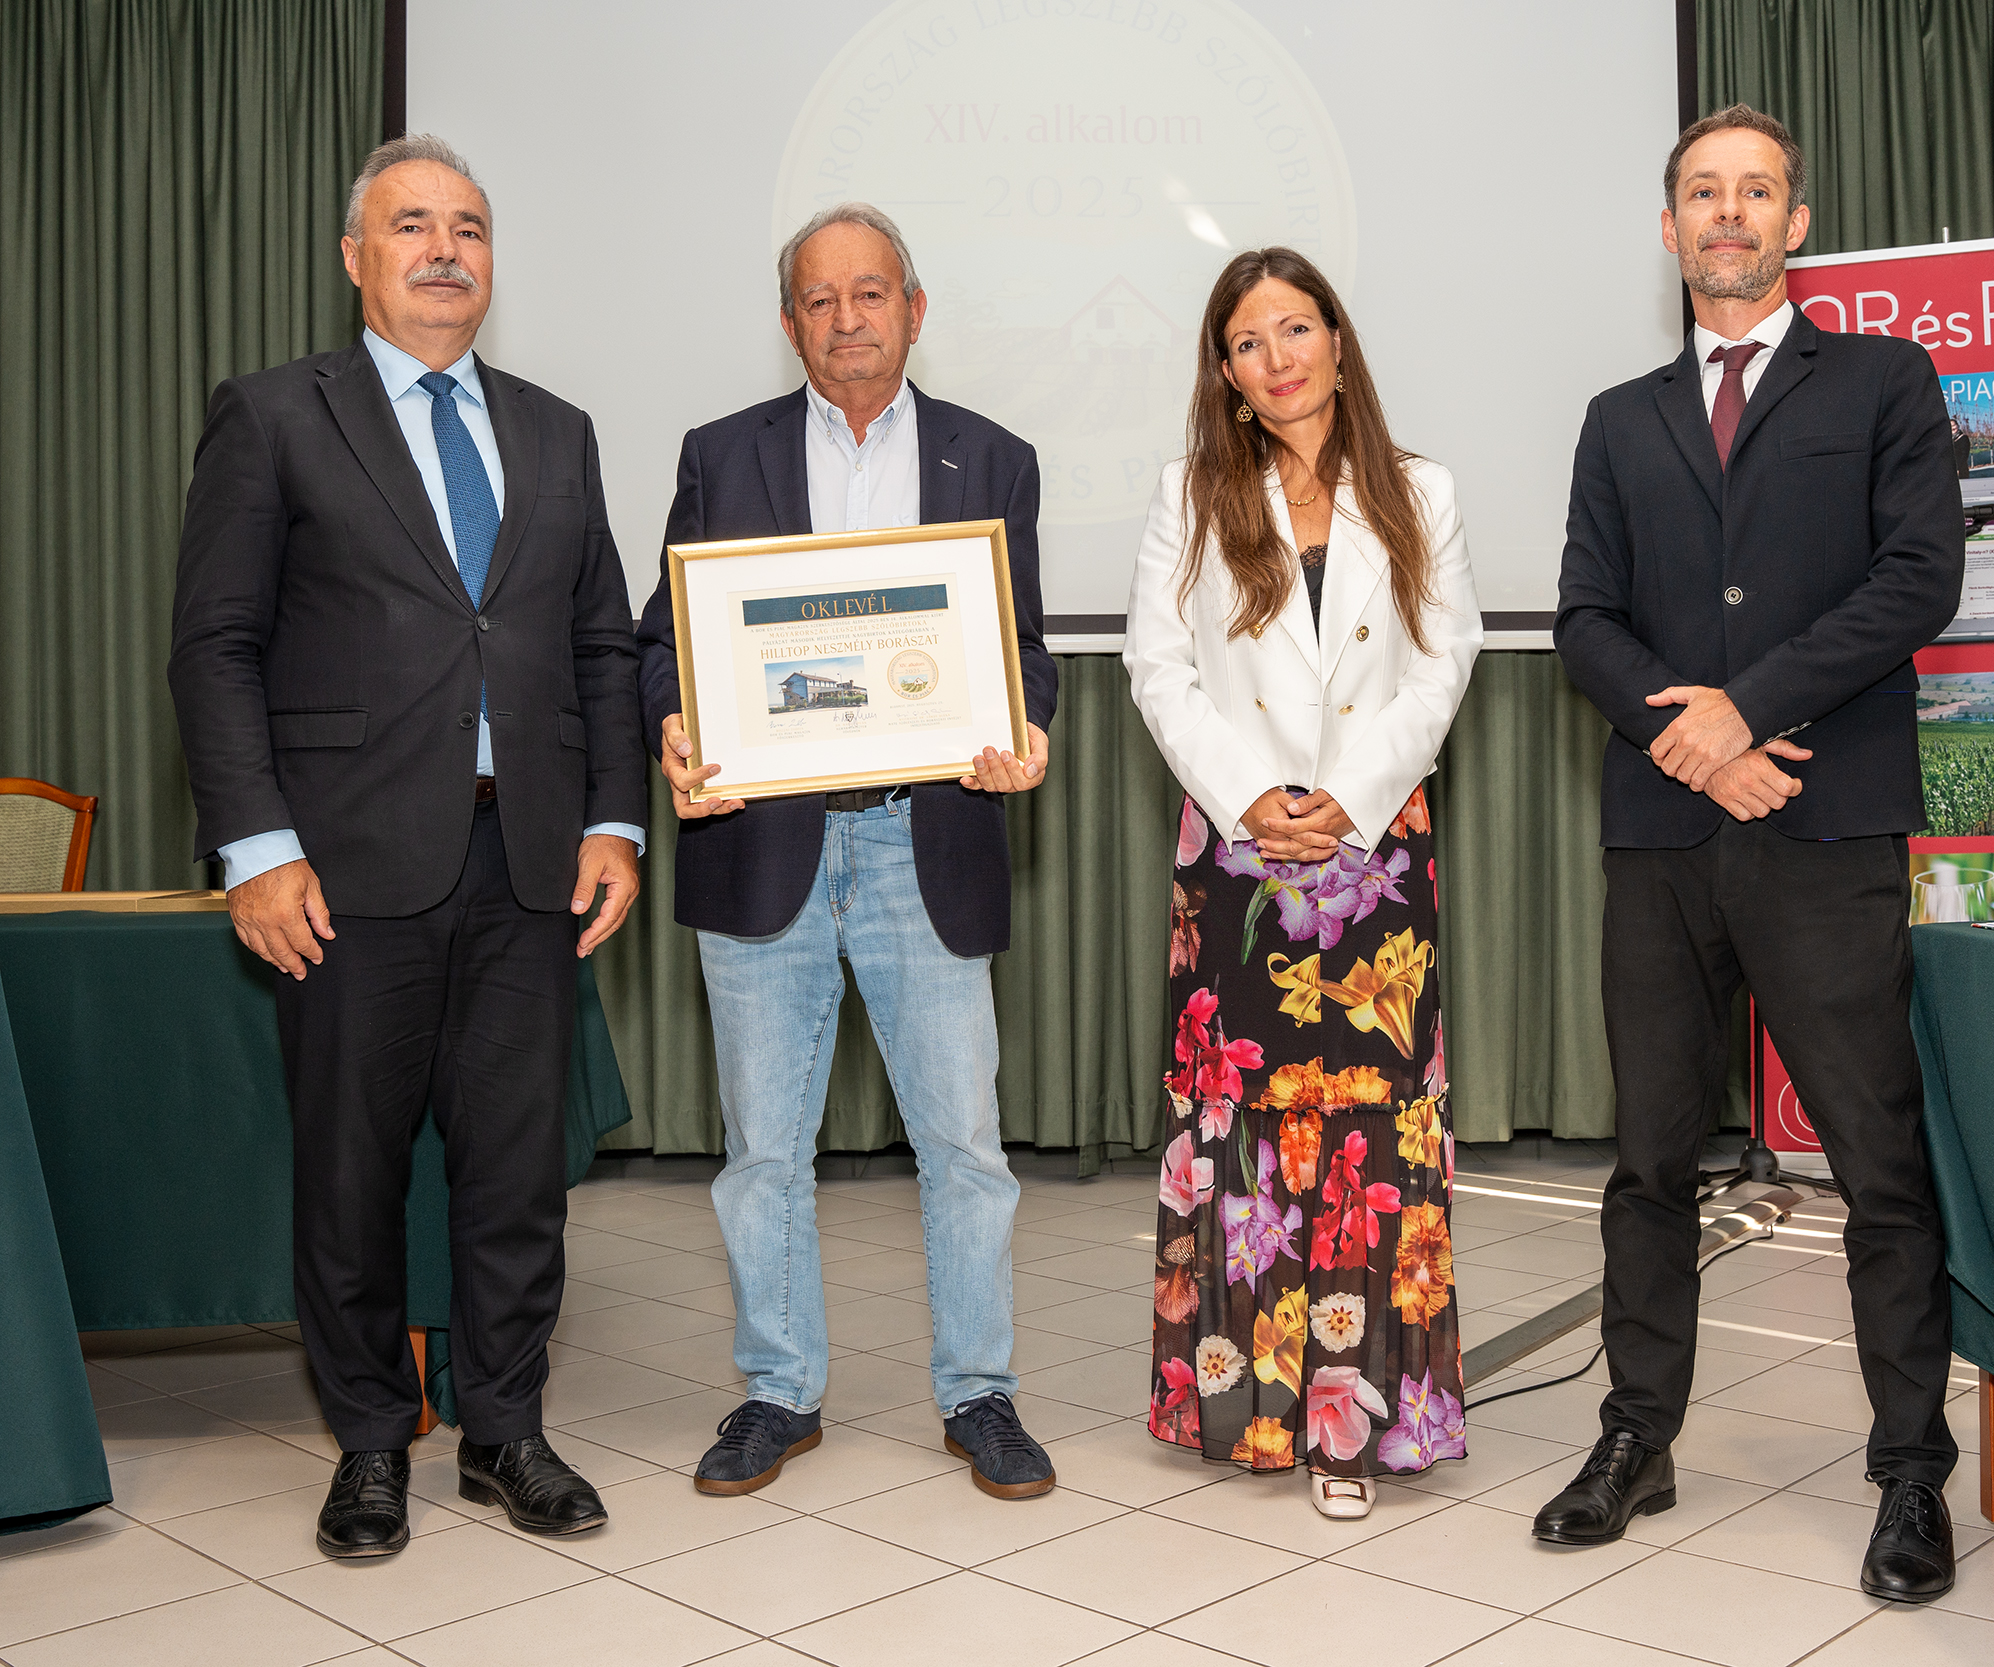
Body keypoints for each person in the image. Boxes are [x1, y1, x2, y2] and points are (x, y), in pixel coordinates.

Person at [168, 134, 644, 1559]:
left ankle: (504, 1428)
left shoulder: (557, 429)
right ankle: (372, 1437)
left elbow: (599, 645)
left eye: (470, 228)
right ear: (355, 257)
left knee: (517, 1174)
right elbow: (215, 645)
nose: (446, 250)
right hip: (339, 868)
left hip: (529, 864)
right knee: (350, 1174)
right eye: (414, 225)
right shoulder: (272, 415)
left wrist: (615, 817)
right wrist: (256, 846)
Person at [1543, 105, 1966, 1602]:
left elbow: (1918, 578)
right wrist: (1698, 740)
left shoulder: (1885, 381)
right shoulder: (1618, 416)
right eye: (1703, 193)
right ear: (1669, 229)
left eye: (1756, 191)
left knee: (1877, 1162)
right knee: (1650, 1159)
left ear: (1796, 221)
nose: (1729, 213)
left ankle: (1910, 1468)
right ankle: (1635, 1435)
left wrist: (1749, 707)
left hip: (1825, 824)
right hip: (1664, 833)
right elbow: (1582, 615)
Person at [632, 203, 1059, 1502]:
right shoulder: (722, 454)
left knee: (965, 1143)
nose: (846, 318)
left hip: (925, 836)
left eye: (870, 293)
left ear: (913, 310)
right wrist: (673, 719)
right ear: (789, 322)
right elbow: (663, 637)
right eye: (819, 299)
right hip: (766, 843)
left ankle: (979, 1391)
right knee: (764, 1147)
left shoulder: (993, 458)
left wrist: (1027, 726)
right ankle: (779, 1388)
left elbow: (1023, 648)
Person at [1125, 247, 1482, 1521]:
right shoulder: (1189, 494)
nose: (1276, 357)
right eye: (1247, 341)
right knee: (1248, 1128)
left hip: (1375, 850)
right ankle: (1251, 1409)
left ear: (1336, 338)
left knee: (1371, 1135)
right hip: (1238, 855)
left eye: (1294, 328)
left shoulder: (1419, 488)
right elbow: (1156, 667)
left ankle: (1358, 1425)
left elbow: (1445, 659)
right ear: (1225, 373)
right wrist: (1252, 797)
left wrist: (1352, 794)